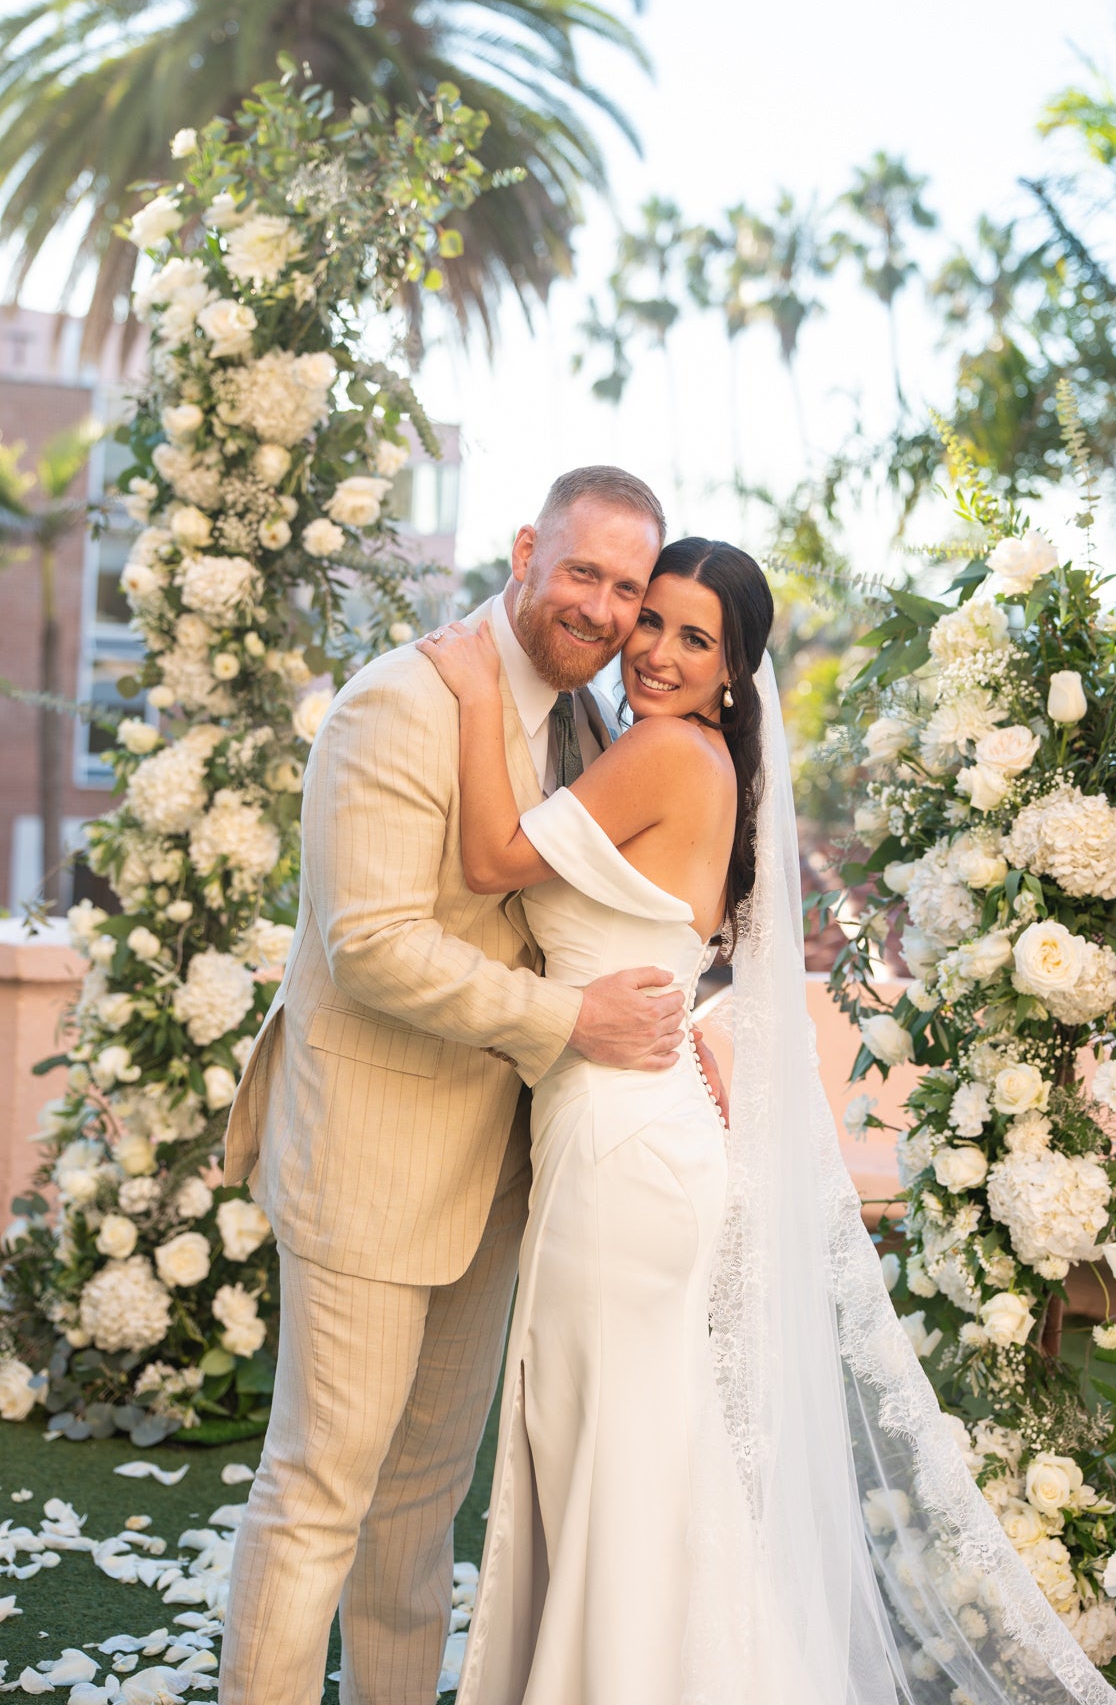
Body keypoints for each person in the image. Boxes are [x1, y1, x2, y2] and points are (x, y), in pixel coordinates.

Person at [418, 536, 1116, 1705]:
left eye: (694, 638)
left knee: (619, 1456)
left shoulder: (662, 752)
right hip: (642, 1119)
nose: (654, 650)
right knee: (640, 1448)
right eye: (650, 620)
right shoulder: (700, 763)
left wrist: (480, 675)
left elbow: (494, 854)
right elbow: (674, 956)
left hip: (623, 1145)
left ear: (734, 670)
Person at [218, 467, 697, 1705]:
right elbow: (368, 943)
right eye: (582, 569)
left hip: (504, 1165)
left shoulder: (597, 731)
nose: (600, 606)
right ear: (528, 549)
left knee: (426, 1491)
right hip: (373, 1151)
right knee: (323, 1488)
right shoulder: (400, 701)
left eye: (627, 588)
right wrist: (573, 1022)